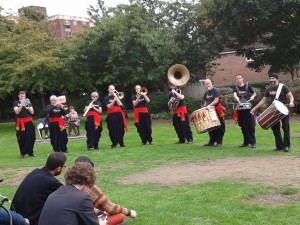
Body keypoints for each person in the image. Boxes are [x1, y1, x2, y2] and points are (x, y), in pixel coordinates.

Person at [75, 156, 137, 225]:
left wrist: (100, 212)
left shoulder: (67, 185)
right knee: (120, 216)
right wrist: (129, 212)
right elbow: (110, 208)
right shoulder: (88, 187)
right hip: (83, 221)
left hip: (72, 219)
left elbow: (84, 209)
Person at [11, 152, 67, 225]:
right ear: (58, 168)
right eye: (63, 166)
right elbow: (68, 194)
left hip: (15, 215)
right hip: (25, 220)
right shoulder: (51, 182)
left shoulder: (35, 172)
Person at [250, 73, 294, 152]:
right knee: (275, 129)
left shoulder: (283, 87)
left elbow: (291, 96)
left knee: (286, 128)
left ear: (277, 79)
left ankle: (287, 146)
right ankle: (279, 146)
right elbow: (264, 100)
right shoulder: (269, 89)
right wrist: (254, 108)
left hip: (284, 111)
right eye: (270, 78)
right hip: (273, 110)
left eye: (273, 78)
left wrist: (291, 102)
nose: (271, 80)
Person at [233, 74, 257, 148]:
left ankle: (253, 142)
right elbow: (235, 95)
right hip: (240, 109)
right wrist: (237, 99)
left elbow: (254, 93)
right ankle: (246, 142)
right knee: (243, 125)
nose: (238, 80)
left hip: (248, 109)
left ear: (242, 79)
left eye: (239, 78)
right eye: (237, 79)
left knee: (250, 125)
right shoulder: (235, 88)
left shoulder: (248, 87)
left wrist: (252, 97)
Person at [13, 91, 36, 159]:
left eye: (24, 96)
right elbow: (17, 112)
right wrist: (21, 106)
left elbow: (32, 112)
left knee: (32, 137)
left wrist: (28, 106)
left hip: (29, 122)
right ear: (19, 96)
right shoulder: (16, 103)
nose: (23, 97)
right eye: (21, 96)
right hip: (20, 123)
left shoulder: (28, 102)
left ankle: (30, 152)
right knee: (21, 138)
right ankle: (22, 153)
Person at [203, 79, 225, 147]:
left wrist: (209, 106)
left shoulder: (216, 90)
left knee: (219, 126)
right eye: (206, 84)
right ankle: (211, 141)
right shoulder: (206, 93)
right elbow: (205, 102)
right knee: (210, 126)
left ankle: (219, 142)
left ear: (211, 83)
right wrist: (203, 108)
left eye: (209, 83)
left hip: (216, 110)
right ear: (205, 85)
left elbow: (216, 100)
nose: (208, 85)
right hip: (209, 111)